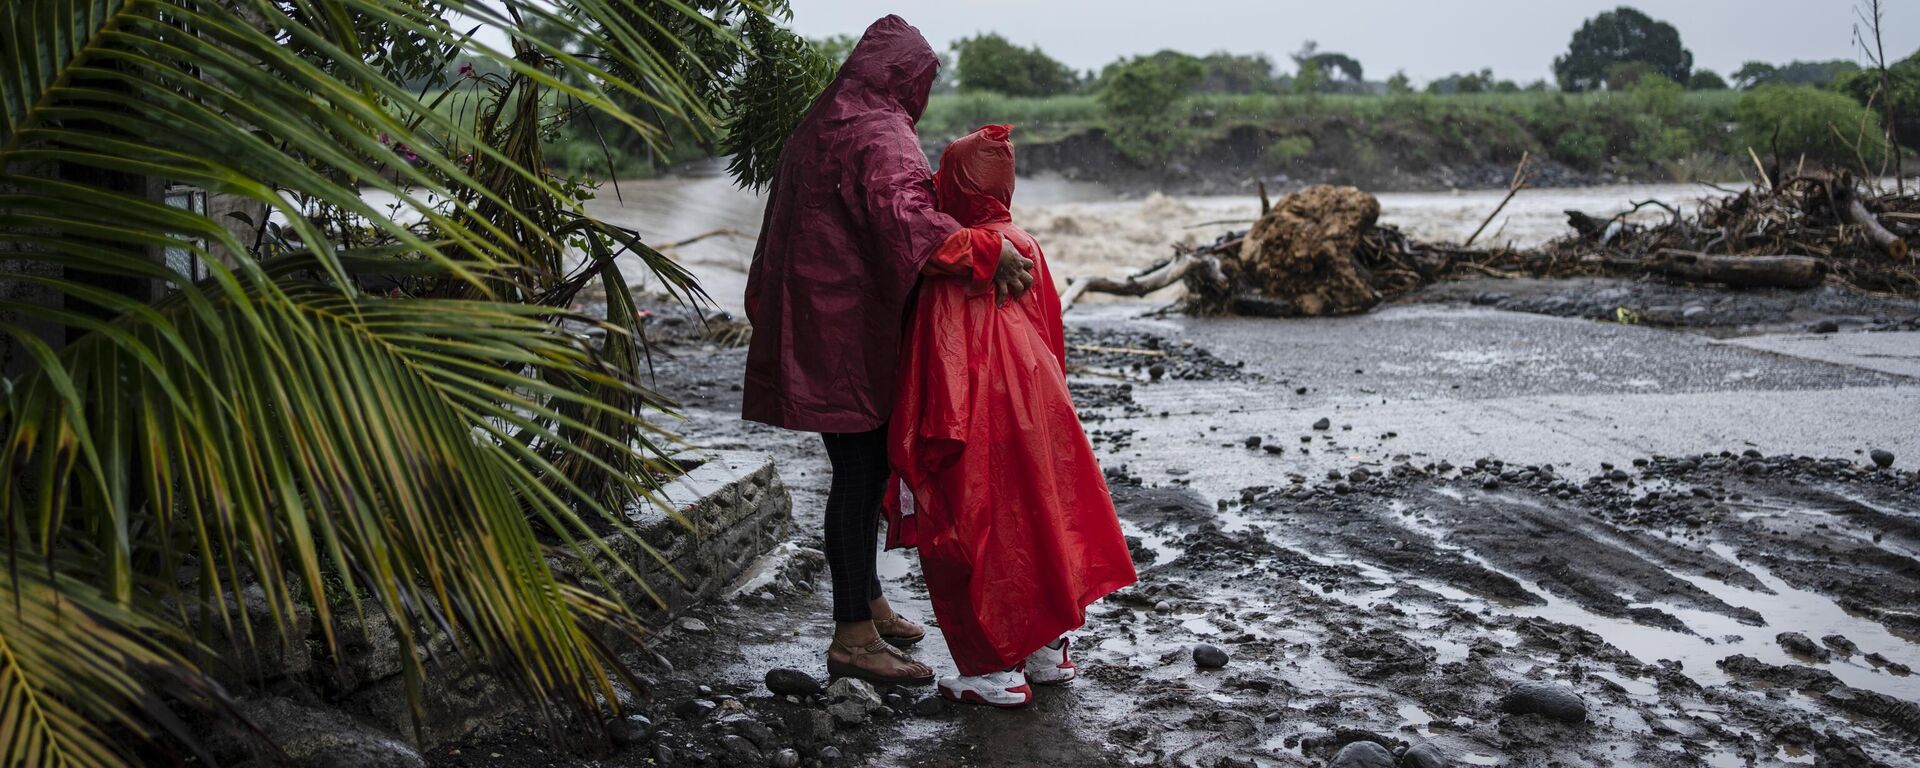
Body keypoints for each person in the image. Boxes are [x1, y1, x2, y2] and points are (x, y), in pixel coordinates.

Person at [742, 16, 1036, 687]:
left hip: (813, 322)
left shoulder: (825, 121)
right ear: (908, 77)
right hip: (847, 332)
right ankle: (852, 638)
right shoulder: (880, 130)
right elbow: (905, 220)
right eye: (921, 81)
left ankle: (868, 602)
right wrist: (984, 251)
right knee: (857, 476)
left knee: (860, 470)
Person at [885, 124, 1138, 708]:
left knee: (974, 529)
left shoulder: (960, 257)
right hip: (1040, 403)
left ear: (953, 185)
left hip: (976, 411)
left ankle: (993, 668)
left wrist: (919, 441)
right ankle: (1048, 649)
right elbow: (1052, 330)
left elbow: (939, 352)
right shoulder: (1022, 240)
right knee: (1043, 519)